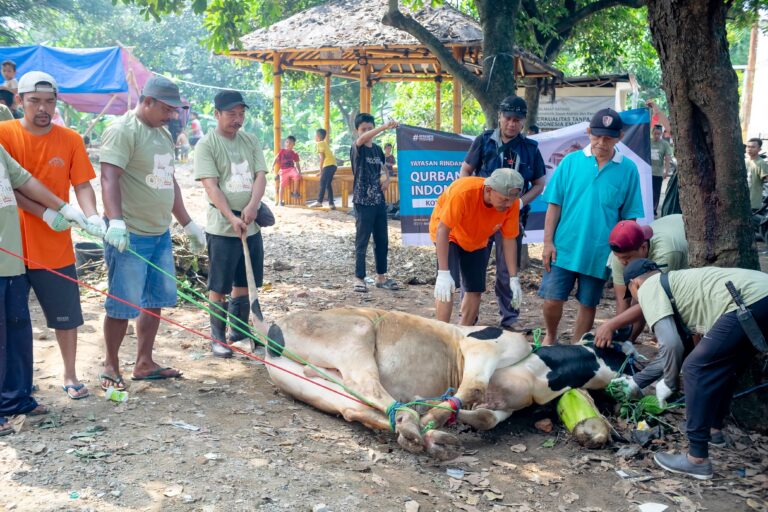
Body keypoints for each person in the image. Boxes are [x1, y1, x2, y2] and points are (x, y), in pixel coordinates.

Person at [0, 71, 105, 401]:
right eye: (35, 101)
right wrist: (45, 211)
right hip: (11, 243)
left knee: (65, 313)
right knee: (13, 319)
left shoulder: (70, 139)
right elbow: (10, 185)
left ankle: (70, 374)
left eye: (50, 101)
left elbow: (83, 184)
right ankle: (18, 381)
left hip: (55, 241)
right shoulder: (4, 134)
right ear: (20, 101)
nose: (43, 108)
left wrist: (91, 217)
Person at [99, 75, 205, 389]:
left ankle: (144, 362)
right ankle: (110, 366)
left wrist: (187, 223)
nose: (172, 116)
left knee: (153, 299)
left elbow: (168, 181)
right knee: (122, 303)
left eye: (175, 110)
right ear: (147, 101)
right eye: (167, 109)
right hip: (129, 233)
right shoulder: (122, 131)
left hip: (159, 233)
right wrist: (115, 221)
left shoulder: (161, 134)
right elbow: (109, 178)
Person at [621, 258, 768, 480]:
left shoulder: (649, 287)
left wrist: (670, 383)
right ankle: (712, 430)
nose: (635, 300)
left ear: (635, 284)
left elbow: (670, 345)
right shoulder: (678, 286)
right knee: (725, 367)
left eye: (631, 294)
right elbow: (672, 353)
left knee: (695, 368)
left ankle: (697, 459)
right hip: (758, 299)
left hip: (748, 302)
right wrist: (637, 381)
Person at [0, 144, 90, 433]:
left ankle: (15, 400)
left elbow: (24, 181)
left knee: (15, 331)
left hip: (11, 258)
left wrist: (61, 207)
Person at [540, 108, 644, 345]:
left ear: (620, 137)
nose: (601, 142)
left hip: (600, 253)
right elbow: (554, 205)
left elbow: (629, 220)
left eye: (608, 138)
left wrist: (619, 256)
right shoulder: (570, 162)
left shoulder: (628, 170)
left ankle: (578, 347)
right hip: (563, 247)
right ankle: (551, 337)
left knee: (588, 303)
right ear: (588, 133)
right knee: (552, 299)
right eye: (596, 136)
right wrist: (548, 242)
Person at [460, 95, 545, 328]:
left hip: (511, 219)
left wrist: (520, 203)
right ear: (499, 116)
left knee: (508, 271)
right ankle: (467, 319)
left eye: (517, 120)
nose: (512, 124)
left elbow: (539, 183)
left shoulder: (530, 149)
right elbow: (465, 171)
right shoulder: (484, 141)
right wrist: (473, 200)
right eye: (508, 118)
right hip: (480, 218)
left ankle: (509, 319)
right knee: (472, 268)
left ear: (523, 121)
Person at [194, 90, 268, 357]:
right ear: (217, 114)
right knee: (219, 286)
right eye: (231, 114)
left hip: (251, 222)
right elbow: (211, 185)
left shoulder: (250, 140)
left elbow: (261, 176)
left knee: (245, 281)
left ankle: (239, 331)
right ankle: (218, 338)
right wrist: (231, 216)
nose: (237, 120)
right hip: (222, 227)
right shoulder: (207, 145)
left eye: (241, 114)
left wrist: (252, 206)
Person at [430, 168, 523, 325]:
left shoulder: (510, 205)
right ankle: (441, 335)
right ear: (488, 190)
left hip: (477, 239)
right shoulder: (464, 193)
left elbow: (509, 239)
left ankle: (464, 333)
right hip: (450, 234)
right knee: (447, 287)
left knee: (475, 289)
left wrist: (513, 278)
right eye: (504, 199)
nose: (508, 205)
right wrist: (443, 273)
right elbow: (443, 230)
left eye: (512, 200)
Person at [594, 214, 688, 346]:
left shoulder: (666, 253)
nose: (622, 262)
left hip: (687, 243)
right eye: (618, 257)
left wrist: (612, 327)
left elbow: (650, 301)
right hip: (670, 229)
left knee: (676, 312)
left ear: (643, 248)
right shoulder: (621, 255)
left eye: (627, 257)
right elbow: (623, 301)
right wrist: (621, 339)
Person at [350, 113, 399, 292]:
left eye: (371, 128)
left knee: (382, 240)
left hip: (379, 201)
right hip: (363, 201)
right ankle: (359, 277)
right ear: (357, 131)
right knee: (362, 241)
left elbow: (383, 167)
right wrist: (385, 127)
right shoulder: (358, 147)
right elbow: (363, 139)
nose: (368, 132)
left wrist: (387, 178)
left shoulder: (378, 150)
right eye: (364, 129)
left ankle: (381, 277)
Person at [650, 124, 673, 216]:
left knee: (656, 193)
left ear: (661, 134)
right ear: (652, 133)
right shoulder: (648, 142)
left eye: (658, 134)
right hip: (648, 172)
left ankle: (654, 210)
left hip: (658, 172)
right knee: (648, 192)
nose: (656, 136)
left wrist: (666, 171)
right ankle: (648, 208)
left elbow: (667, 158)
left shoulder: (664, 144)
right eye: (655, 133)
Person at [312, 128, 337, 209]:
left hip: (328, 165)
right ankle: (331, 204)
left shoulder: (319, 143)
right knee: (327, 184)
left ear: (318, 136)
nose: (315, 137)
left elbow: (322, 158)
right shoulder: (324, 143)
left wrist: (320, 170)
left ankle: (319, 202)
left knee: (323, 183)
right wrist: (321, 172)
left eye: (315, 135)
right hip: (333, 165)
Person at [273, 135, 302, 205]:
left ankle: (295, 192)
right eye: (287, 142)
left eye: (290, 143)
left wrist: (300, 172)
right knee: (282, 186)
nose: (288, 144)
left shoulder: (294, 154)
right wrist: (272, 166)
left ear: (293, 145)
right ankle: (280, 201)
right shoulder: (282, 151)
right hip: (283, 170)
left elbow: (297, 163)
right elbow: (276, 159)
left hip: (291, 169)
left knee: (297, 176)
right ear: (285, 143)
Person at [746, 138, 768, 211]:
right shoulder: (744, 161)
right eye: (748, 146)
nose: (749, 149)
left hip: (753, 204)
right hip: (741, 201)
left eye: (753, 147)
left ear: (759, 149)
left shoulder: (761, 163)